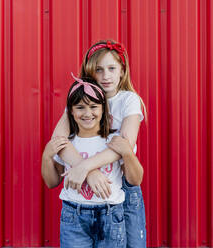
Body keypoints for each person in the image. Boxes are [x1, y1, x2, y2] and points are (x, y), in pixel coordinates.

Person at [52, 40, 147, 247]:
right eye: (99, 69)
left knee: (133, 243)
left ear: (122, 70)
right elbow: (58, 142)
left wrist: (85, 166)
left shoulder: (128, 100)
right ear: (89, 72)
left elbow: (125, 146)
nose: (106, 76)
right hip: (86, 188)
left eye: (112, 68)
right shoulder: (83, 98)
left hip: (122, 184)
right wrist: (87, 171)